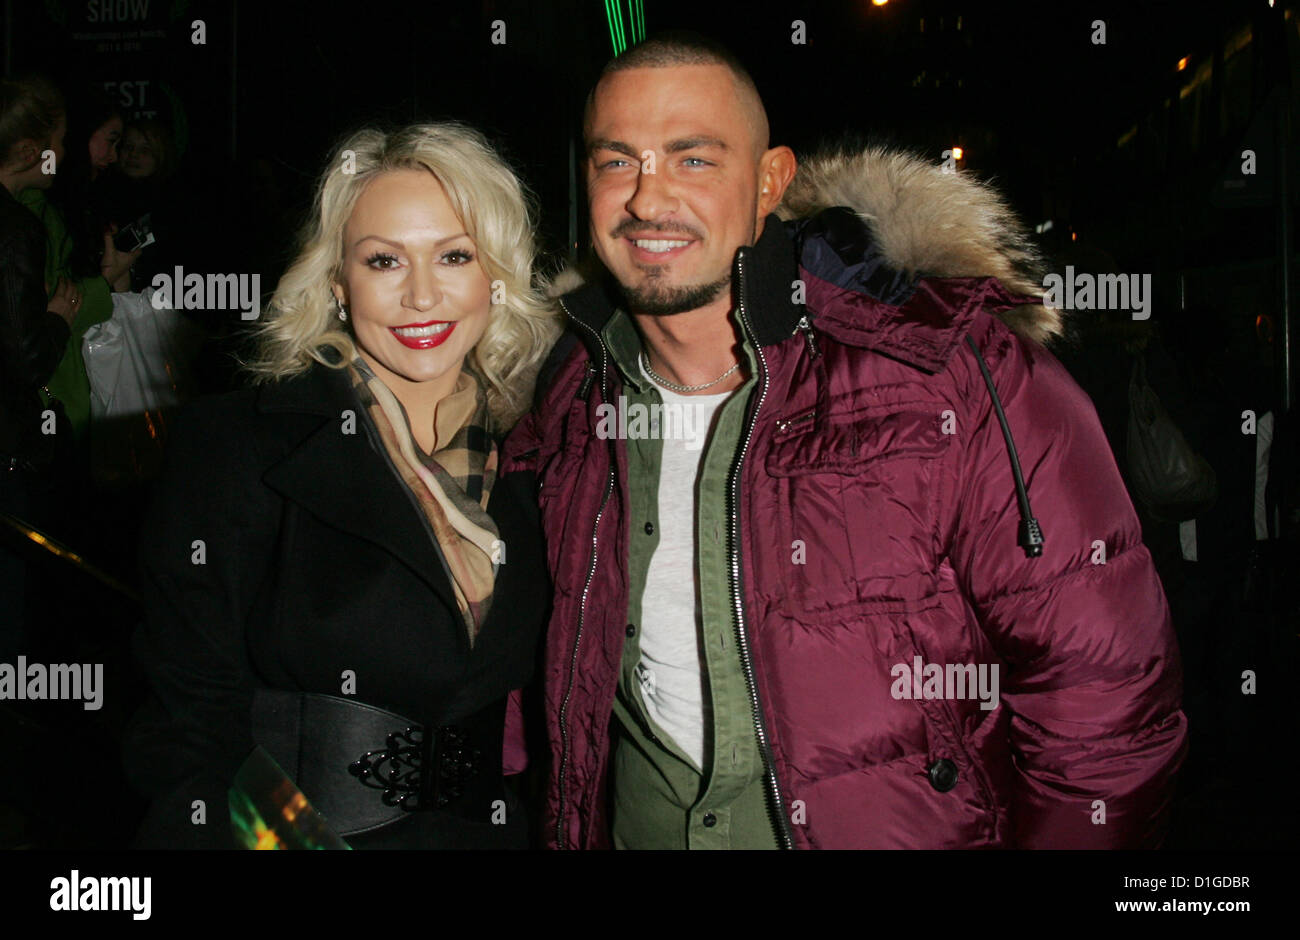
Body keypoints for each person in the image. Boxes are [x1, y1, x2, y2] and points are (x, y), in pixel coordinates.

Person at [504, 33, 1188, 849]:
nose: (649, 200)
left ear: (770, 182)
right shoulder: (570, 402)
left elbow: (1103, 707)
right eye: (618, 162)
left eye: (693, 160)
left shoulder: (956, 375)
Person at [124, 122, 560, 849]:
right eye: (385, 260)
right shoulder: (237, 445)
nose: (423, 295)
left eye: (454, 255)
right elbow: (187, 724)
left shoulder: (538, 451)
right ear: (336, 283)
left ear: (496, 275)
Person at [0, 75, 79, 656]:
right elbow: (25, 359)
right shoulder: (14, 229)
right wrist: (57, 317)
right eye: (59, 142)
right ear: (29, 152)